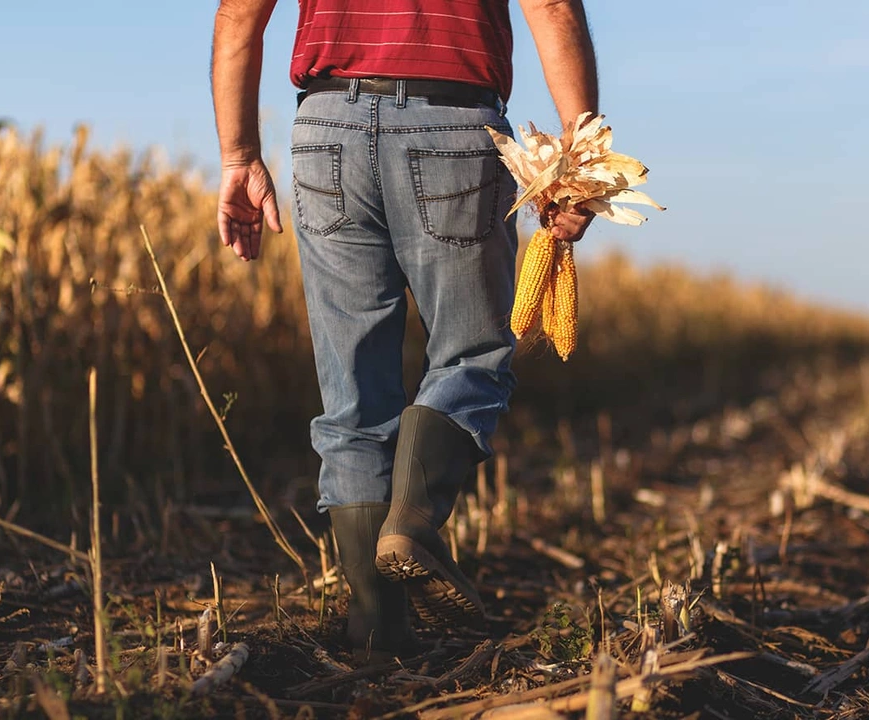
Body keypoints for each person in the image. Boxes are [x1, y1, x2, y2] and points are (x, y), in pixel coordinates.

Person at [211, 0, 598, 660]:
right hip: (451, 124)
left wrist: (239, 154)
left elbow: (237, 12)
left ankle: (375, 631)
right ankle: (414, 521)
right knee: (472, 354)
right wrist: (578, 153)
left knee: (353, 390)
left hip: (326, 126)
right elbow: (552, 5)